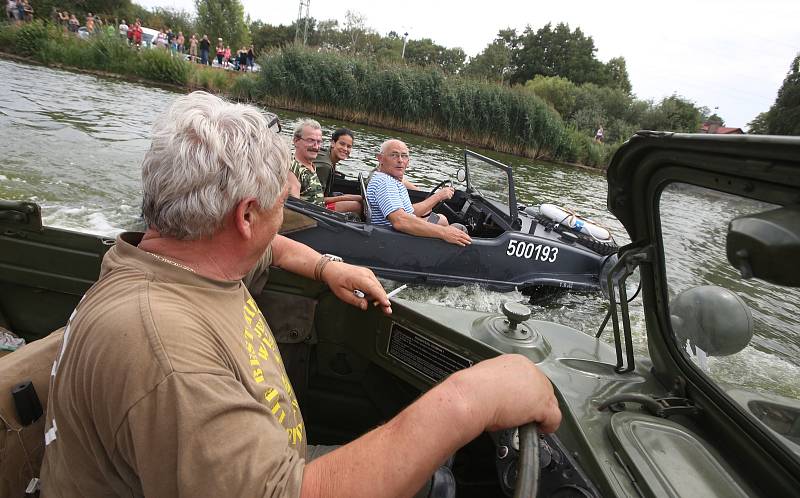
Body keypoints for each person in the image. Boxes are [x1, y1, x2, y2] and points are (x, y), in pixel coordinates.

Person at [39, 91, 560, 498]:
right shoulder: (168, 356)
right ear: (245, 216)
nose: (283, 219)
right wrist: (468, 399)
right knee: (440, 484)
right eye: (277, 205)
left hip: (273, 458)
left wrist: (327, 265)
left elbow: (274, 250)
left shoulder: (190, 254)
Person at [366, 139, 472, 246]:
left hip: (397, 234)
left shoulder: (388, 179)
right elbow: (400, 221)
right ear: (380, 159)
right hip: (398, 240)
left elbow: (407, 213)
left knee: (441, 219)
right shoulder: (386, 183)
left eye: (404, 156)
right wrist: (444, 232)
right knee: (460, 229)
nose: (400, 160)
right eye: (394, 155)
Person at [288, 119, 362, 214]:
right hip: (315, 219)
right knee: (356, 206)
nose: (316, 146)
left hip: (320, 213)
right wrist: (345, 198)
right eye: (310, 140)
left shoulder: (310, 165)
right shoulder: (294, 170)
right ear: (296, 141)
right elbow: (293, 210)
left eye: (319, 142)